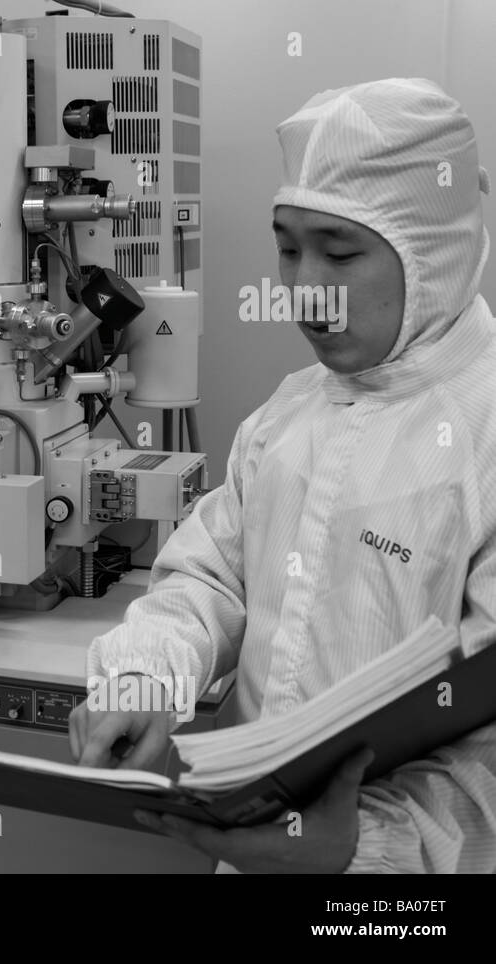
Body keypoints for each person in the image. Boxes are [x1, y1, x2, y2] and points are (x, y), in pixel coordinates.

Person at [70, 78, 496, 873]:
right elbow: (208, 580)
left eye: (340, 251)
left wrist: (360, 849)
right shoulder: (291, 413)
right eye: (288, 248)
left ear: (432, 249)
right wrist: (142, 678)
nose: (302, 288)